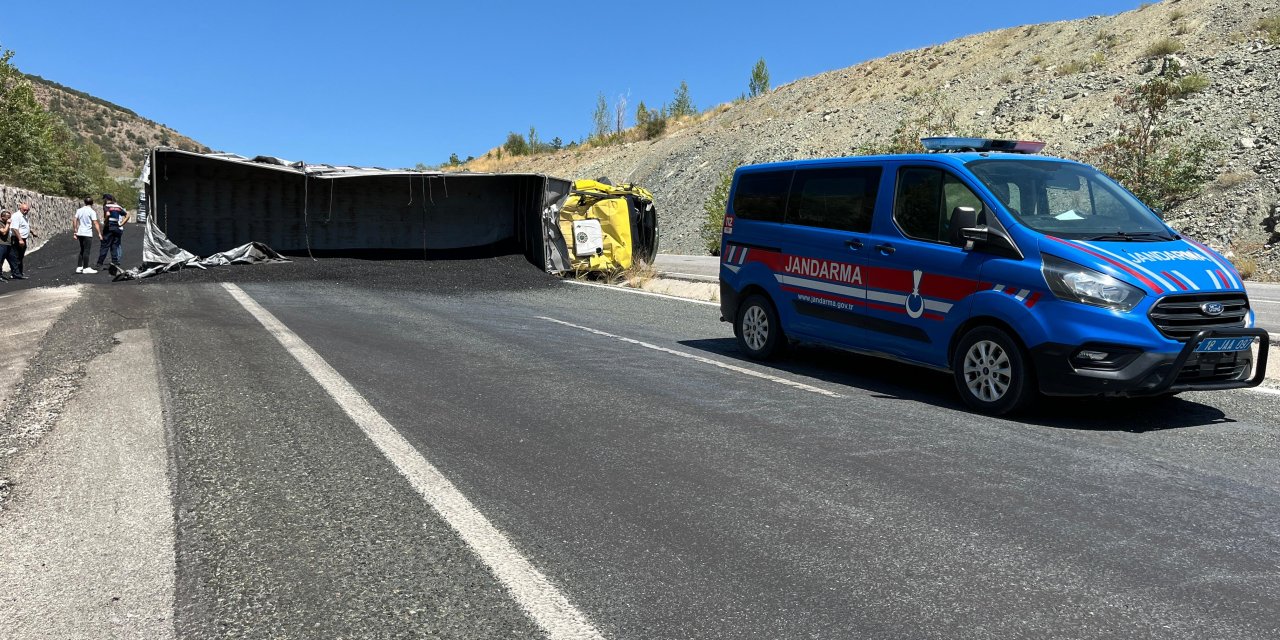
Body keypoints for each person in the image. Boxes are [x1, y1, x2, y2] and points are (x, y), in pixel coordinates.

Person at [95, 194, 129, 270]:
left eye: (104, 199)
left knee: (105, 246)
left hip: (109, 228)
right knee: (114, 246)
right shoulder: (118, 207)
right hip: (117, 228)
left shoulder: (106, 206)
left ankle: (99, 263)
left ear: (106, 199)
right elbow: (127, 215)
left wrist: (106, 221)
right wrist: (121, 224)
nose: (103, 201)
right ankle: (115, 262)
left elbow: (107, 214)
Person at [73, 197, 101, 274]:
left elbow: (75, 220)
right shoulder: (91, 211)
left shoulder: (79, 210)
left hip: (80, 232)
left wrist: (75, 231)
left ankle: (79, 267)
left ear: (85, 202)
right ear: (92, 203)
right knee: (86, 251)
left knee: (82, 249)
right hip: (87, 233)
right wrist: (99, 233)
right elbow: (95, 223)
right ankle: (85, 268)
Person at [9, 201, 32, 279]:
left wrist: (32, 232)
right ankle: (16, 274)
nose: (26, 211)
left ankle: (19, 273)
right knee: (16, 256)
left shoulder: (24, 216)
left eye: (27, 210)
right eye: (24, 209)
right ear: (20, 208)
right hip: (17, 239)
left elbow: (24, 226)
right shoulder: (17, 216)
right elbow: (14, 228)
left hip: (22, 239)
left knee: (20, 257)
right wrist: (20, 239)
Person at [0, 210, 14, 281]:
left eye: (10, 217)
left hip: (8, 244)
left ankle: (16, 274)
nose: (9, 219)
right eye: (7, 217)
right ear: (2, 217)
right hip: (1, 244)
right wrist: (8, 224)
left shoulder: (6, 223)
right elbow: (4, 232)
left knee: (13, 259)